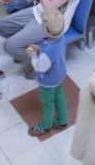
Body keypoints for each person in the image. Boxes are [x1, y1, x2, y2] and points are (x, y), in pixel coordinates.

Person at [27, 8, 69, 137]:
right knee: (59, 97)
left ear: (46, 29)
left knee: (48, 103)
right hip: (59, 75)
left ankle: (44, 127)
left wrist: (33, 55)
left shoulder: (48, 51)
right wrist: (40, 49)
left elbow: (40, 67)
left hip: (48, 81)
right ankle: (62, 121)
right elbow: (55, 54)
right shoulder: (61, 38)